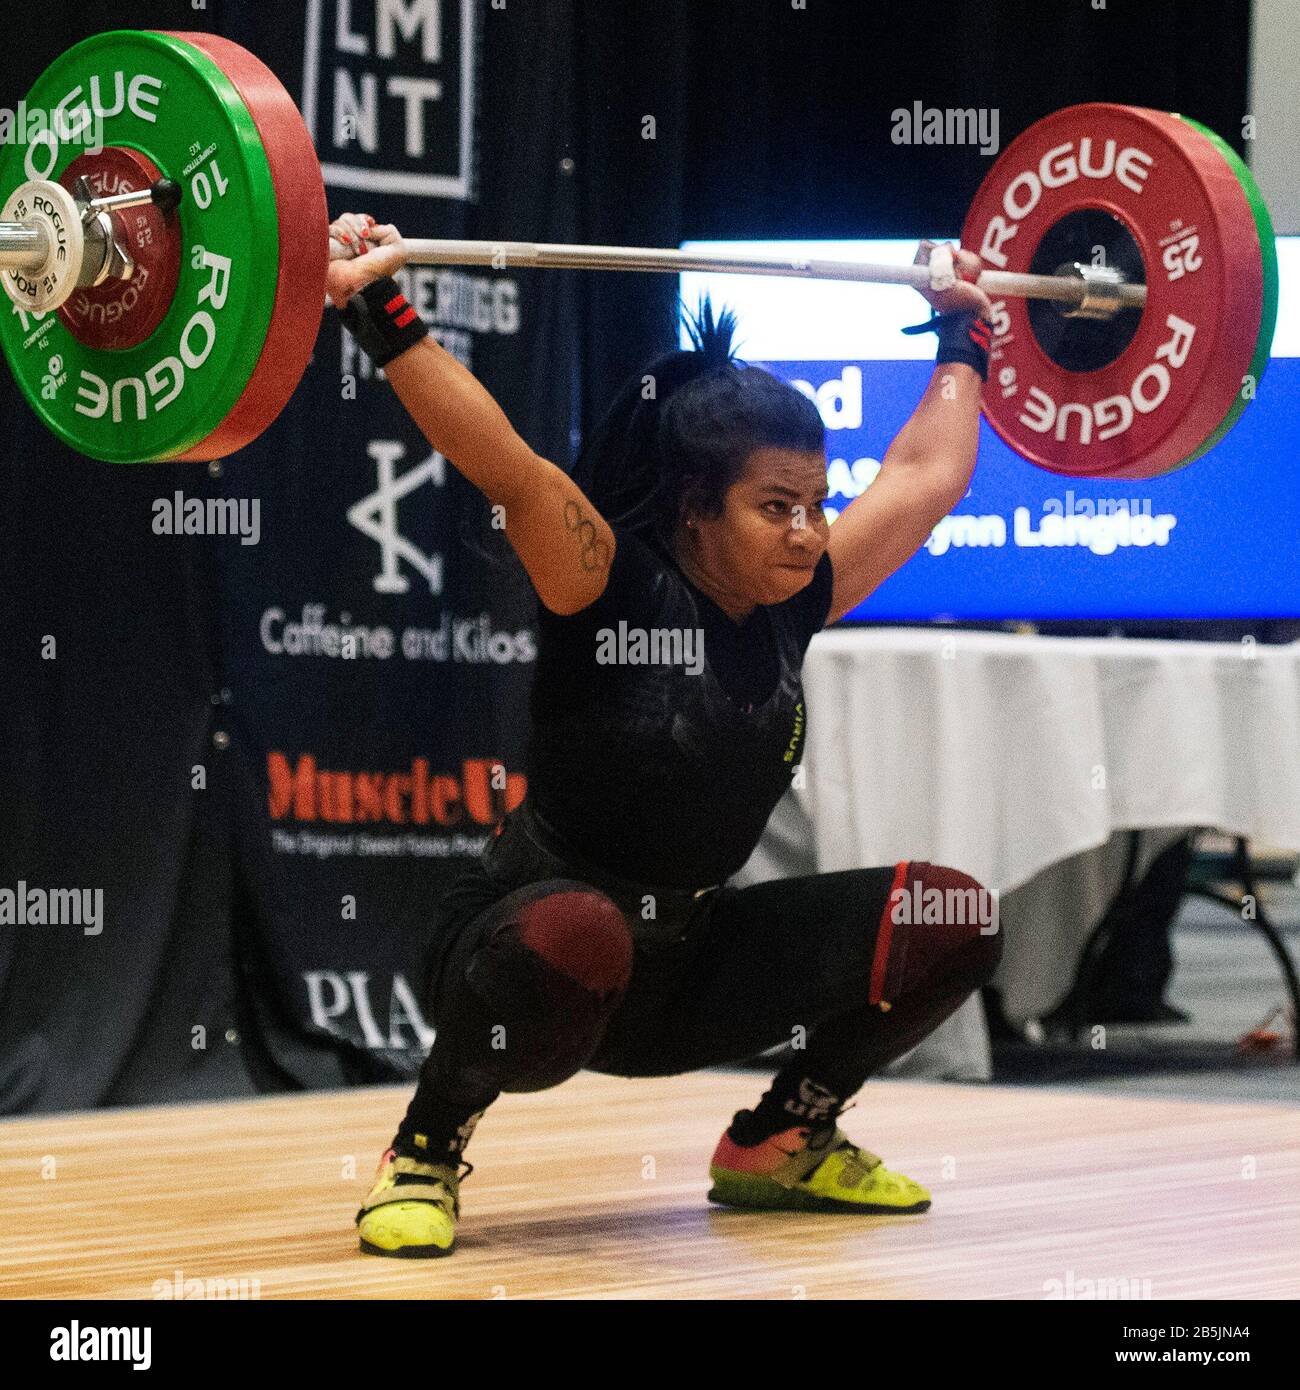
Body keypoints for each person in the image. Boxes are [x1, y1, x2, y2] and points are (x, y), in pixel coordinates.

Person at [325, 212, 1002, 1258]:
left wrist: (962, 337)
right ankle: (425, 1144)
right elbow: (505, 466)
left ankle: (782, 1136)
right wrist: (377, 303)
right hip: (527, 953)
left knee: (954, 914)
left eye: (816, 503)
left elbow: (924, 480)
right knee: (580, 928)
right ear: (694, 507)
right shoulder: (602, 584)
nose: (808, 530)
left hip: (687, 967)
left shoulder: (794, 598)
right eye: (775, 505)